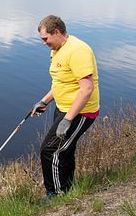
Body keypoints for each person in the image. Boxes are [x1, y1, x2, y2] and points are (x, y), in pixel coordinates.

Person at [30, 15, 100, 199]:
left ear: (57, 32)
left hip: (81, 111)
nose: (44, 43)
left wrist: (68, 119)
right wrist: (44, 101)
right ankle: (67, 189)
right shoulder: (58, 49)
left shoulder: (78, 51)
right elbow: (62, 82)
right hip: (63, 108)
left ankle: (55, 194)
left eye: (45, 39)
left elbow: (86, 89)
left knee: (50, 150)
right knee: (65, 150)